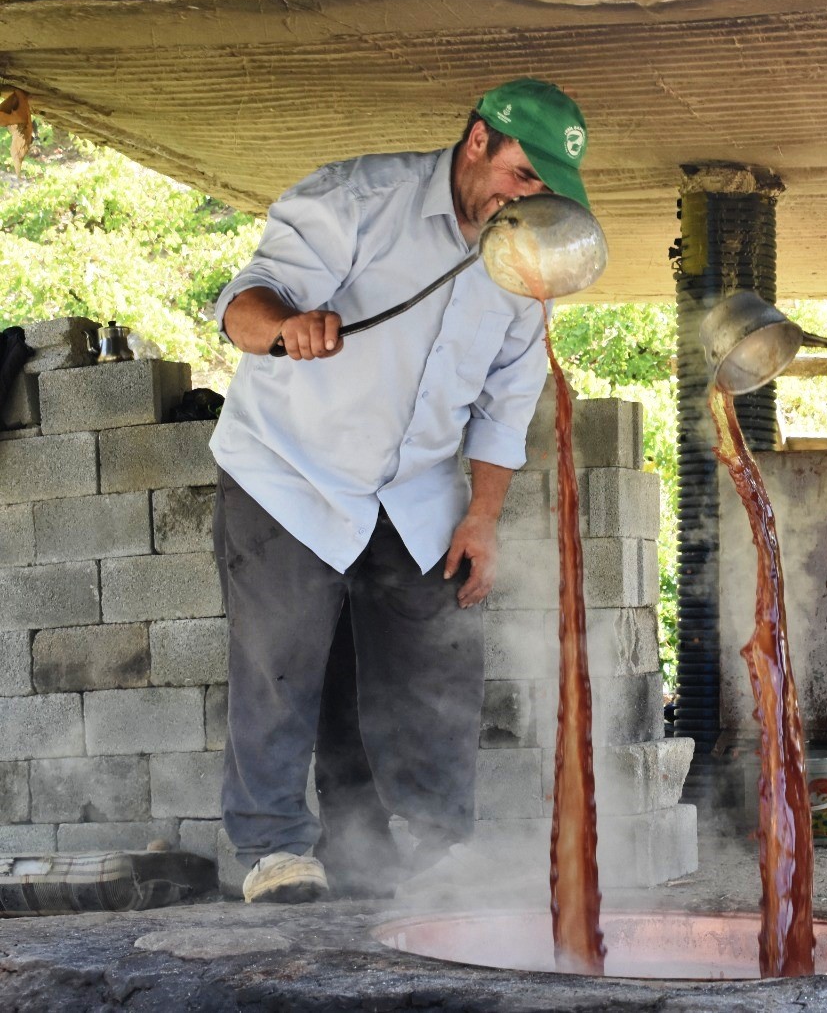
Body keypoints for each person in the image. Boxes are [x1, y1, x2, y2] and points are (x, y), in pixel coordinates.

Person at [209, 78, 591, 904]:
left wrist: (482, 519)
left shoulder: (519, 257)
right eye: (523, 176)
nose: (528, 199)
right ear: (480, 142)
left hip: (415, 490)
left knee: (434, 657)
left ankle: (424, 846)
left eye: (546, 189)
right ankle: (272, 848)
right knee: (283, 661)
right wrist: (286, 327)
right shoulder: (355, 201)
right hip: (290, 471)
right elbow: (242, 305)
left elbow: (506, 402)